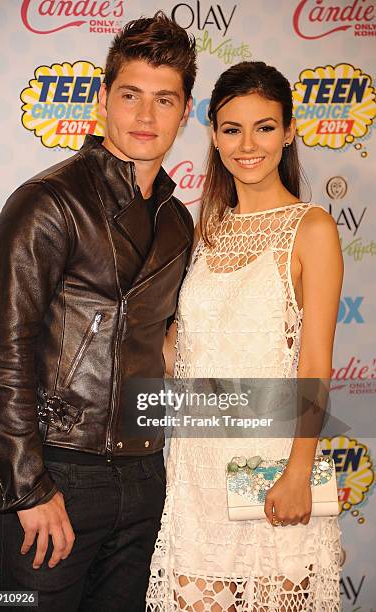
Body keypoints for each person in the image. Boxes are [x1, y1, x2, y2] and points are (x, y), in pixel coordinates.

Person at [0, 12, 196, 612]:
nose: (146, 117)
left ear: (185, 110)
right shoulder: (48, 202)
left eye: (164, 100)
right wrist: (28, 489)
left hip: (146, 480)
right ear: (102, 101)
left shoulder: (179, 223)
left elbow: (166, 344)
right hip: (56, 477)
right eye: (130, 95)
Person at [147, 61, 343, 611]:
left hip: (272, 469)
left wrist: (298, 471)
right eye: (232, 129)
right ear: (213, 134)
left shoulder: (313, 228)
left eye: (265, 127)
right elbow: (182, 352)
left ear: (289, 131)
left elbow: (315, 360)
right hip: (196, 477)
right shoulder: (205, 230)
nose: (248, 144)